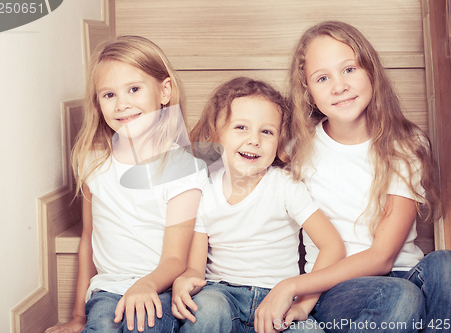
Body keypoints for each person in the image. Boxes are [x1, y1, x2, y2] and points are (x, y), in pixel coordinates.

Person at [254, 21, 451, 333]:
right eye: (322, 77)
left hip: (403, 273)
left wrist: (289, 286)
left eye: (349, 70)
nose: (339, 86)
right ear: (308, 92)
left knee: (449, 264)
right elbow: (238, 154)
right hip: (336, 287)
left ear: (371, 71)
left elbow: (383, 257)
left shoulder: (404, 143)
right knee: (399, 297)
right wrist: (298, 291)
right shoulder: (296, 148)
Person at [45, 36, 206, 333]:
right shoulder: (92, 162)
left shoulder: (183, 168)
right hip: (108, 288)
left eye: (133, 89)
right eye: (108, 95)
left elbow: (175, 258)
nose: (122, 104)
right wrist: (78, 316)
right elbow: (88, 239)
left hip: (161, 289)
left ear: (164, 91)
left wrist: (145, 286)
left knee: (143, 326)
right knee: (103, 325)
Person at [171, 77, 346, 333]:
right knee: (205, 309)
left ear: (279, 142)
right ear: (214, 134)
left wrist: (303, 304)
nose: (254, 140)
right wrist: (185, 281)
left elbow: (333, 246)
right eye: (241, 127)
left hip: (277, 299)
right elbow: (195, 269)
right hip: (221, 294)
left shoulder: (285, 186)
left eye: (267, 132)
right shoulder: (203, 190)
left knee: (309, 331)